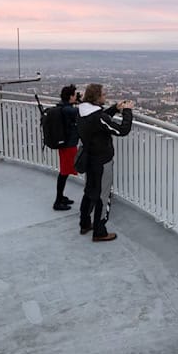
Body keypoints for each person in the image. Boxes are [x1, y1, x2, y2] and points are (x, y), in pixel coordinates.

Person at [76, 83, 133, 242]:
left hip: (89, 158)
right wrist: (127, 111)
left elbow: (100, 121)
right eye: (104, 94)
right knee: (103, 195)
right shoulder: (98, 117)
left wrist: (114, 108)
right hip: (102, 161)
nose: (105, 96)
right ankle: (100, 231)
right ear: (96, 97)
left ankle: (85, 223)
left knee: (89, 191)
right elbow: (122, 130)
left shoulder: (81, 112)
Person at [53, 84, 81, 211]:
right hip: (68, 146)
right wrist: (83, 102)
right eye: (75, 95)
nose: (76, 97)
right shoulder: (69, 110)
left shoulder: (63, 107)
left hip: (65, 144)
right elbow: (82, 112)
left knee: (64, 172)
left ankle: (60, 197)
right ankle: (58, 201)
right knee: (64, 173)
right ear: (70, 97)